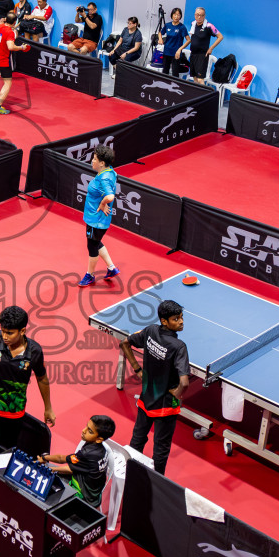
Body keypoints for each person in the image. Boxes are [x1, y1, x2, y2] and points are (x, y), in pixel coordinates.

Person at [0, 306, 55, 465]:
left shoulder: (34, 351)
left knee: (6, 450)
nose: (4, 336)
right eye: (3, 331)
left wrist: (48, 407)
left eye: (9, 333)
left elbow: (41, 378)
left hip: (13, 410)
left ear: (22, 331)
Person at [120, 299, 190, 476]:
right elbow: (184, 382)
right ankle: (157, 481)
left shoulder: (151, 330)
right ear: (164, 321)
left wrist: (137, 369)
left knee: (137, 440)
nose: (181, 322)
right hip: (166, 406)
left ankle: (130, 473)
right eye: (176, 319)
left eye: (181, 317)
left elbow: (125, 343)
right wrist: (178, 394)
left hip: (146, 398)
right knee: (161, 449)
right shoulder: (179, 346)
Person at [40, 415, 116, 503]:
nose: (83, 431)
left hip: (83, 497)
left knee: (45, 487)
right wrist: (51, 468)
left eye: (89, 431)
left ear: (99, 439)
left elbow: (62, 459)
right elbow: (76, 468)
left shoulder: (87, 453)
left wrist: (45, 460)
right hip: (94, 495)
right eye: (87, 426)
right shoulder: (101, 449)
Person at [79, 145, 120, 287]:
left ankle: (89, 275)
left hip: (96, 219)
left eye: (95, 159)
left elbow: (109, 196)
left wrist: (102, 204)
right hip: (97, 218)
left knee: (92, 246)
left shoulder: (104, 179)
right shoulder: (109, 172)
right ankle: (111, 268)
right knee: (96, 242)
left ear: (102, 163)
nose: (92, 161)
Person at [0, 10, 30, 115]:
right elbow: (10, 47)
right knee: (7, 82)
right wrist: (21, 47)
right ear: (14, 22)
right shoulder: (10, 32)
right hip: (2, 60)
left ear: (6, 19)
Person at [185, 7, 223, 83]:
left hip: (202, 55)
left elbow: (220, 37)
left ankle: (205, 94)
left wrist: (211, 48)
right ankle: (197, 94)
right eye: (197, 15)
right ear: (194, 15)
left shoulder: (209, 26)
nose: (199, 17)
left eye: (201, 15)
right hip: (193, 54)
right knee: (195, 78)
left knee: (200, 79)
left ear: (204, 16)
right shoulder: (193, 24)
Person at [158, 7, 187, 77]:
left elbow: (189, 40)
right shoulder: (167, 25)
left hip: (176, 53)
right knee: (165, 72)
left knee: (175, 73)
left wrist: (180, 50)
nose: (176, 16)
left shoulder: (182, 27)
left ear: (180, 16)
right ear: (172, 15)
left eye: (178, 15)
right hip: (167, 51)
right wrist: (160, 39)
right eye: (175, 14)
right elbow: (160, 33)